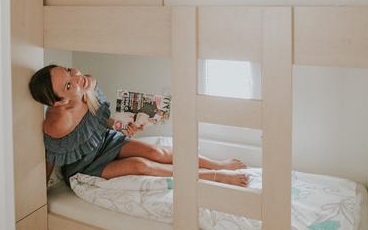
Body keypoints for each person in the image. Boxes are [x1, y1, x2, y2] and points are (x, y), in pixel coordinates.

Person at [29, 64, 249, 186]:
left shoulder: (86, 84)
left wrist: (118, 125)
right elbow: (50, 155)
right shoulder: (59, 123)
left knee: (157, 152)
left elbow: (97, 122)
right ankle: (215, 177)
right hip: (87, 165)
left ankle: (217, 165)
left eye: (69, 70)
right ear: (60, 102)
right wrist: (39, 192)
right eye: (68, 85)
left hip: (106, 141)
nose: (76, 77)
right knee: (140, 165)